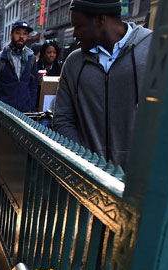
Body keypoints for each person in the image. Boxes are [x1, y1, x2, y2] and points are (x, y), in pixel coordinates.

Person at [52, 0, 152, 170]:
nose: (74, 34)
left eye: (78, 26)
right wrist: (84, 162)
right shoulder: (73, 63)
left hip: (139, 179)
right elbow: (62, 119)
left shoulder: (152, 49)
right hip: (89, 180)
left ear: (101, 20)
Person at [0, 20, 39, 113]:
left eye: (25, 34)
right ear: (11, 35)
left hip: (24, 113)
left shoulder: (31, 59)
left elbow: (33, 86)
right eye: (18, 33)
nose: (21, 36)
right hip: (3, 113)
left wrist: (31, 107)